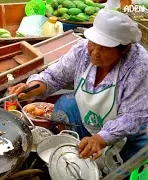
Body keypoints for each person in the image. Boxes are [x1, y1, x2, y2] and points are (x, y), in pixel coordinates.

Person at [10, 9, 148, 168]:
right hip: (95, 119)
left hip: (131, 131)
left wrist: (99, 139)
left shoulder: (139, 66)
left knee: (134, 167)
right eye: (93, 43)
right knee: (65, 105)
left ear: (124, 49)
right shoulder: (82, 50)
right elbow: (54, 76)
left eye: (104, 48)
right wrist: (30, 89)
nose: (95, 52)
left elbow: (132, 116)